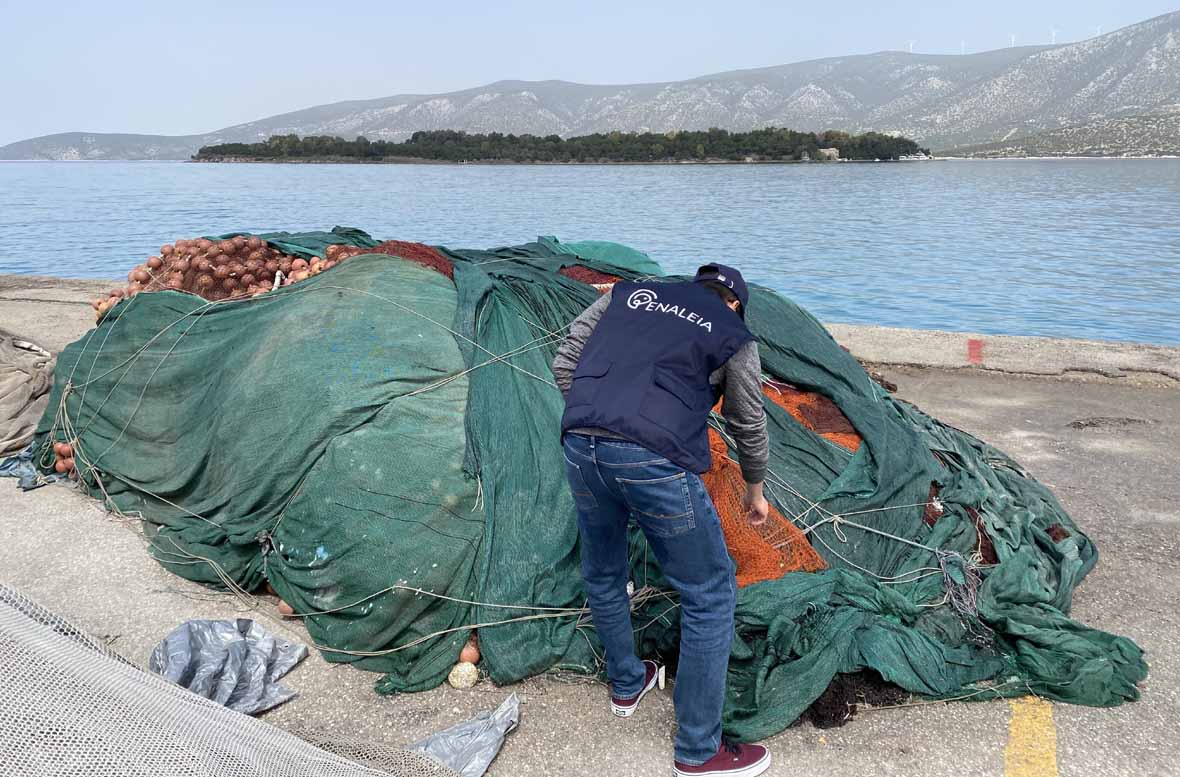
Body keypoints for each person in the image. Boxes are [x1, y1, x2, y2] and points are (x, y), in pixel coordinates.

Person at [553, 264, 772, 777]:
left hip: (580, 445)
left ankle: (627, 683)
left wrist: (600, 421)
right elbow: (747, 419)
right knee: (709, 591)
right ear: (735, 303)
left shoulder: (625, 296)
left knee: (604, 572)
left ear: (694, 287)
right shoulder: (734, 333)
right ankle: (698, 751)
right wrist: (754, 490)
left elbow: (567, 360)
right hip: (652, 461)